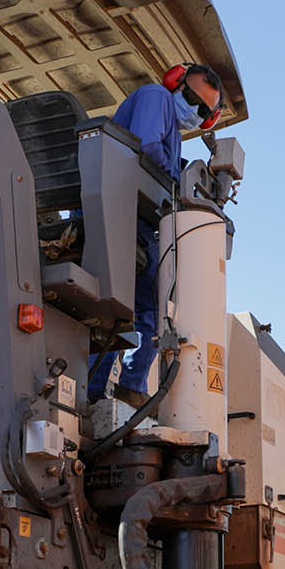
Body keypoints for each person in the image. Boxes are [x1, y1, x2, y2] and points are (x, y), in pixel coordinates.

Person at [87, 64, 226, 404]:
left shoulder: (174, 130)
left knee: (126, 310)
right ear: (175, 83)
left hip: (126, 210)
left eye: (203, 110)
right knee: (152, 305)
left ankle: (107, 387)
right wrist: (179, 186)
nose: (194, 110)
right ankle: (129, 387)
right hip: (123, 210)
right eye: (192, 98)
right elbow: (148, 147)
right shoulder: (157, 97)